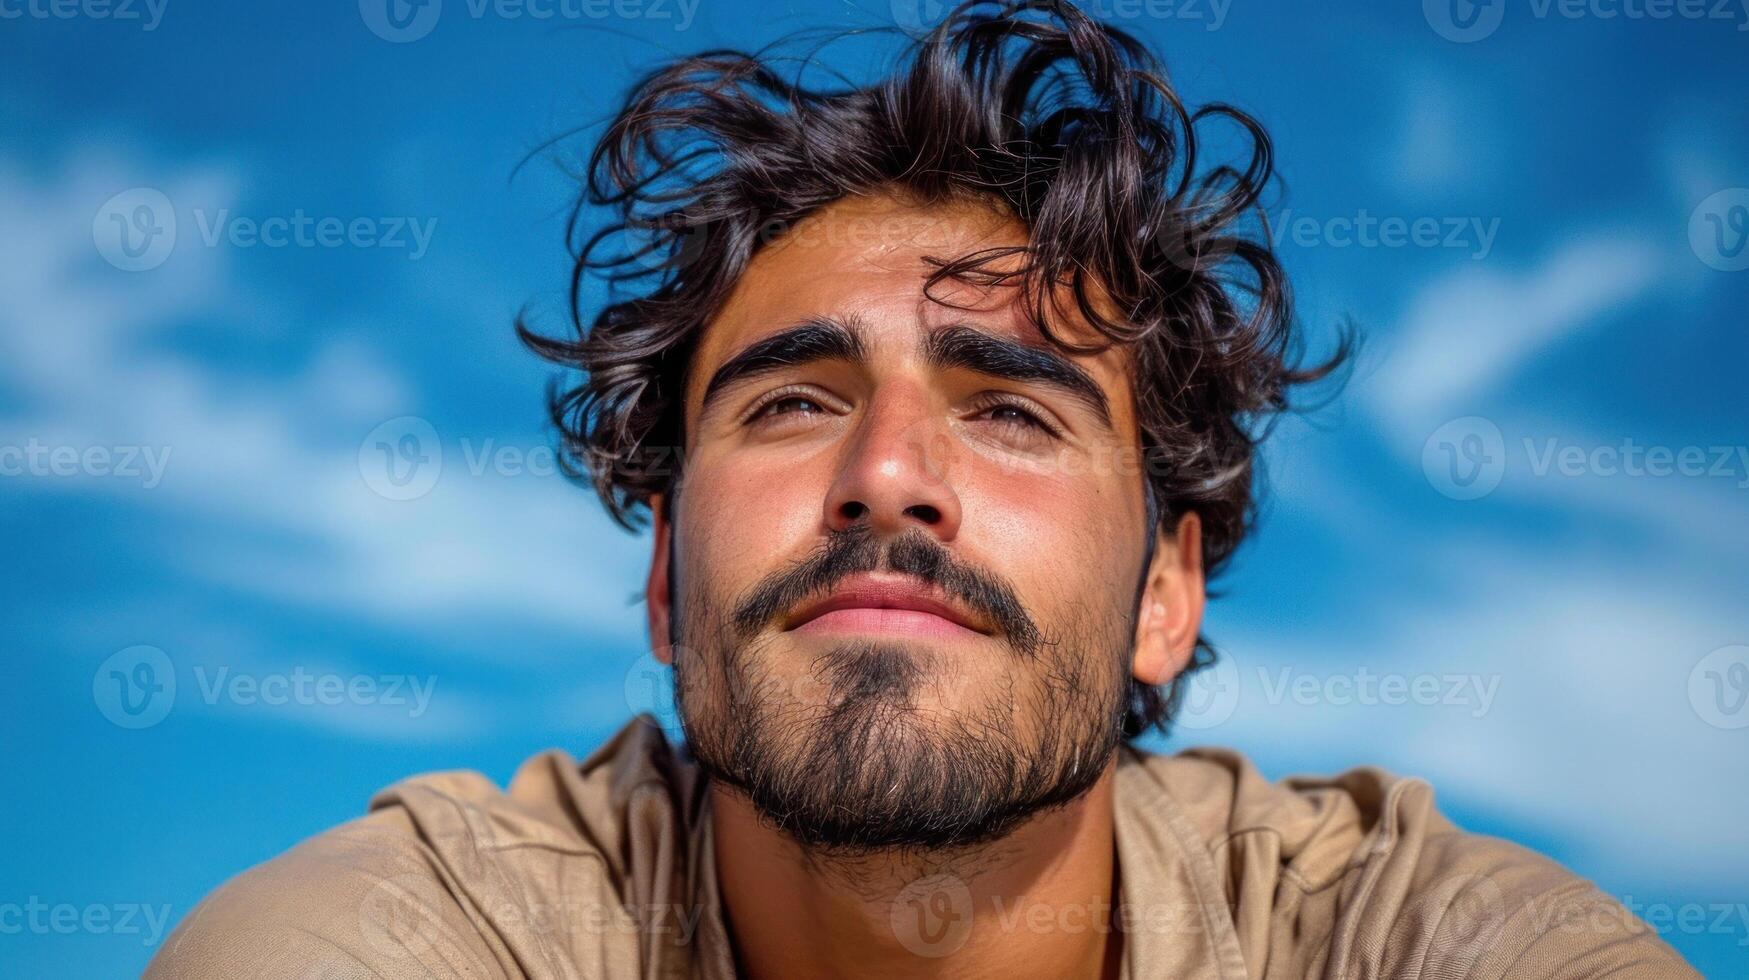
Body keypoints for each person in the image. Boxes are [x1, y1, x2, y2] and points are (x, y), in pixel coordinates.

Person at [147, 1, 1697, 976]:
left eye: (1013, 411)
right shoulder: (408, 939)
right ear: (668, 588)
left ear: (1167, 593)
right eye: (793, 403)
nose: (886, 476)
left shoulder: (1418, 942)